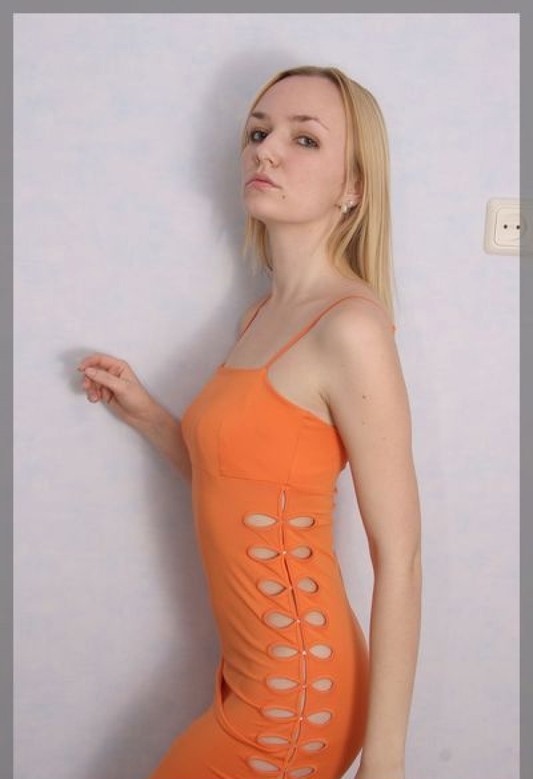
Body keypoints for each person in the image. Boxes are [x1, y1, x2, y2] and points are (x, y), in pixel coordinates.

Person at [77, 64, 422, 779]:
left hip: (300, 696)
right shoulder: (260, 316)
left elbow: (401, 556)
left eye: (304, 139)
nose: (266, 150)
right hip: (256, 676)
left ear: (354, 187)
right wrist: (147, 414)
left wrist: (385, 762)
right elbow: (239, 485)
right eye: (258, 132)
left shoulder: (351, 328)